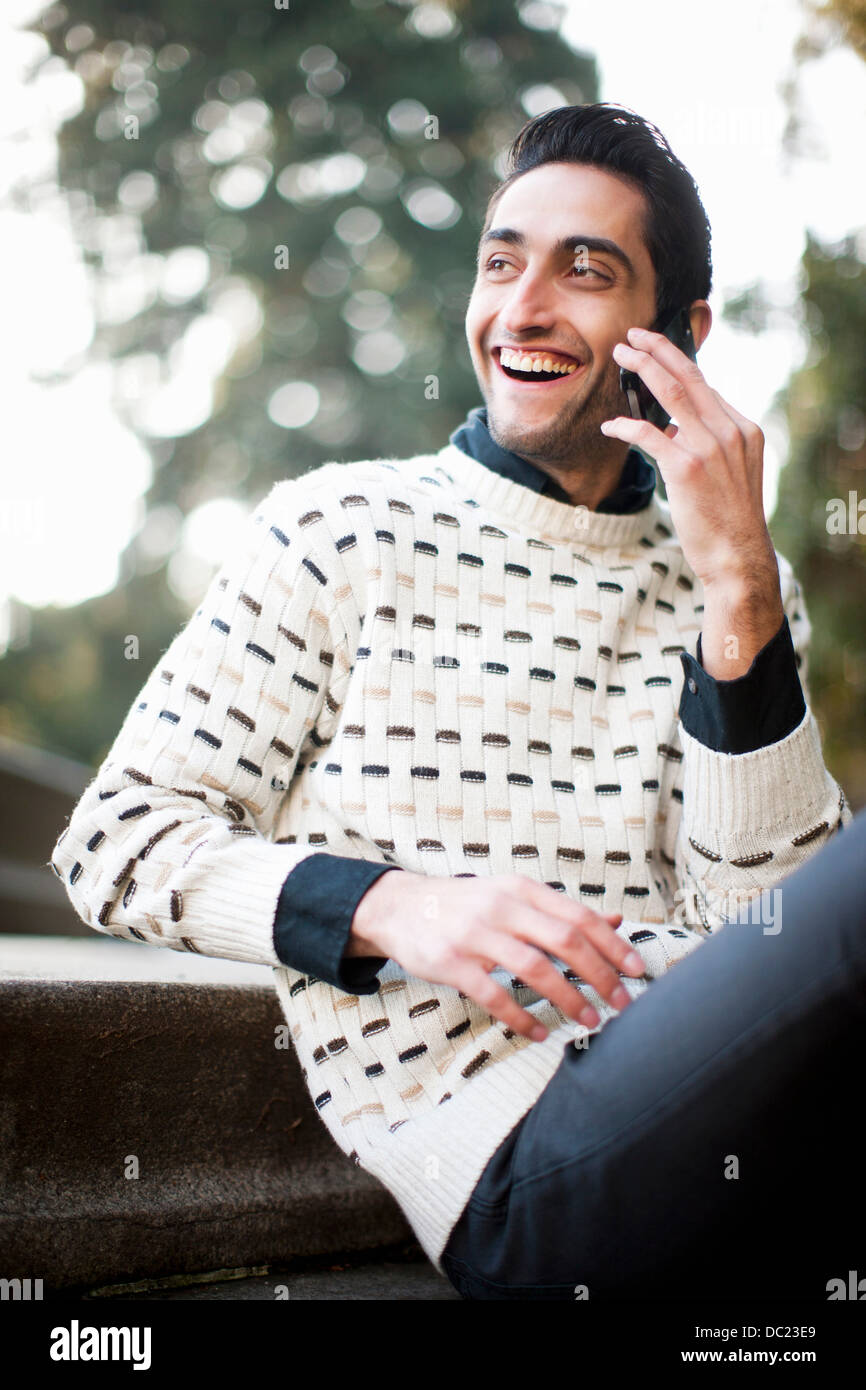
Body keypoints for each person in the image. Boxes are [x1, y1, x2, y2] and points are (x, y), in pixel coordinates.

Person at [50, 102, 857, 1301]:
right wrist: (394, 904)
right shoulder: (337, 528)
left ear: (675, 333)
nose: (521, 307)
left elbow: (766, 928)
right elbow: (112, 840)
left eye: (584, 270)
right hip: (521, 1165)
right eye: (499, 261)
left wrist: (737, 585)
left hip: (725, 1110)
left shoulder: (730, 577)